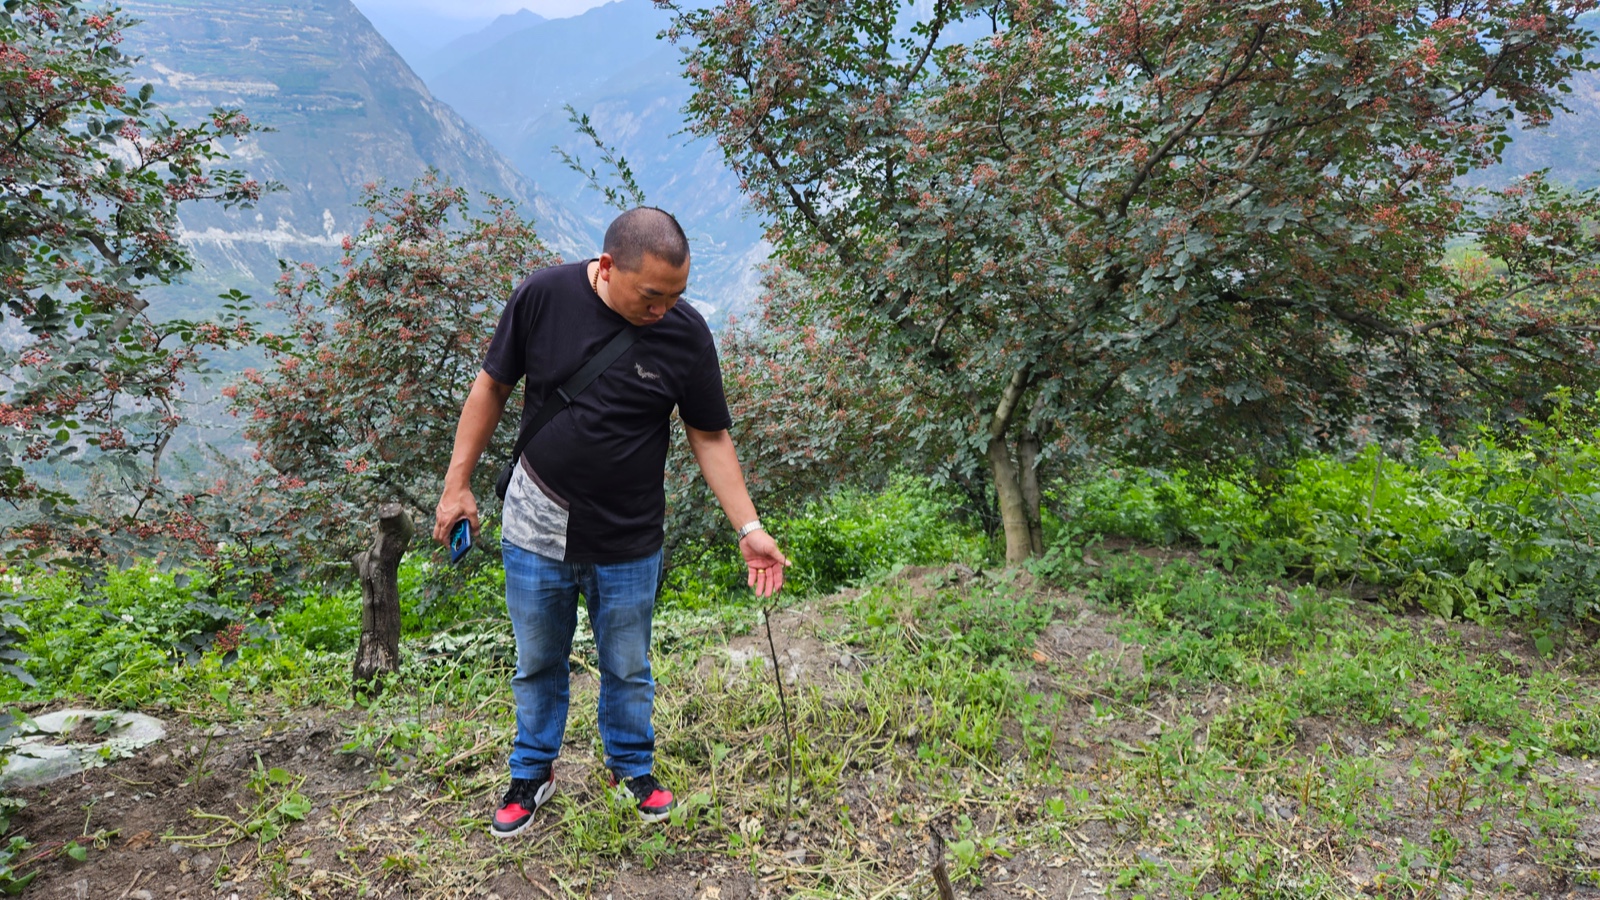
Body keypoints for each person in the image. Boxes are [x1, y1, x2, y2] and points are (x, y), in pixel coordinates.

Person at [433, 207, 787, 838]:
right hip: (536, 525)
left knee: (628, 664)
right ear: (606, 267)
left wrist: (748, 526)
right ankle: (531, 772)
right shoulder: (544, 296)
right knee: (539, 660)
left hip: (628, 536)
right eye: (652, 296)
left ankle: (631, 768)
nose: (663, 310)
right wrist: (457, 484)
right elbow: (491, 386)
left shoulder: (685, 333)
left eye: (676, 296)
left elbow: (709, 435)